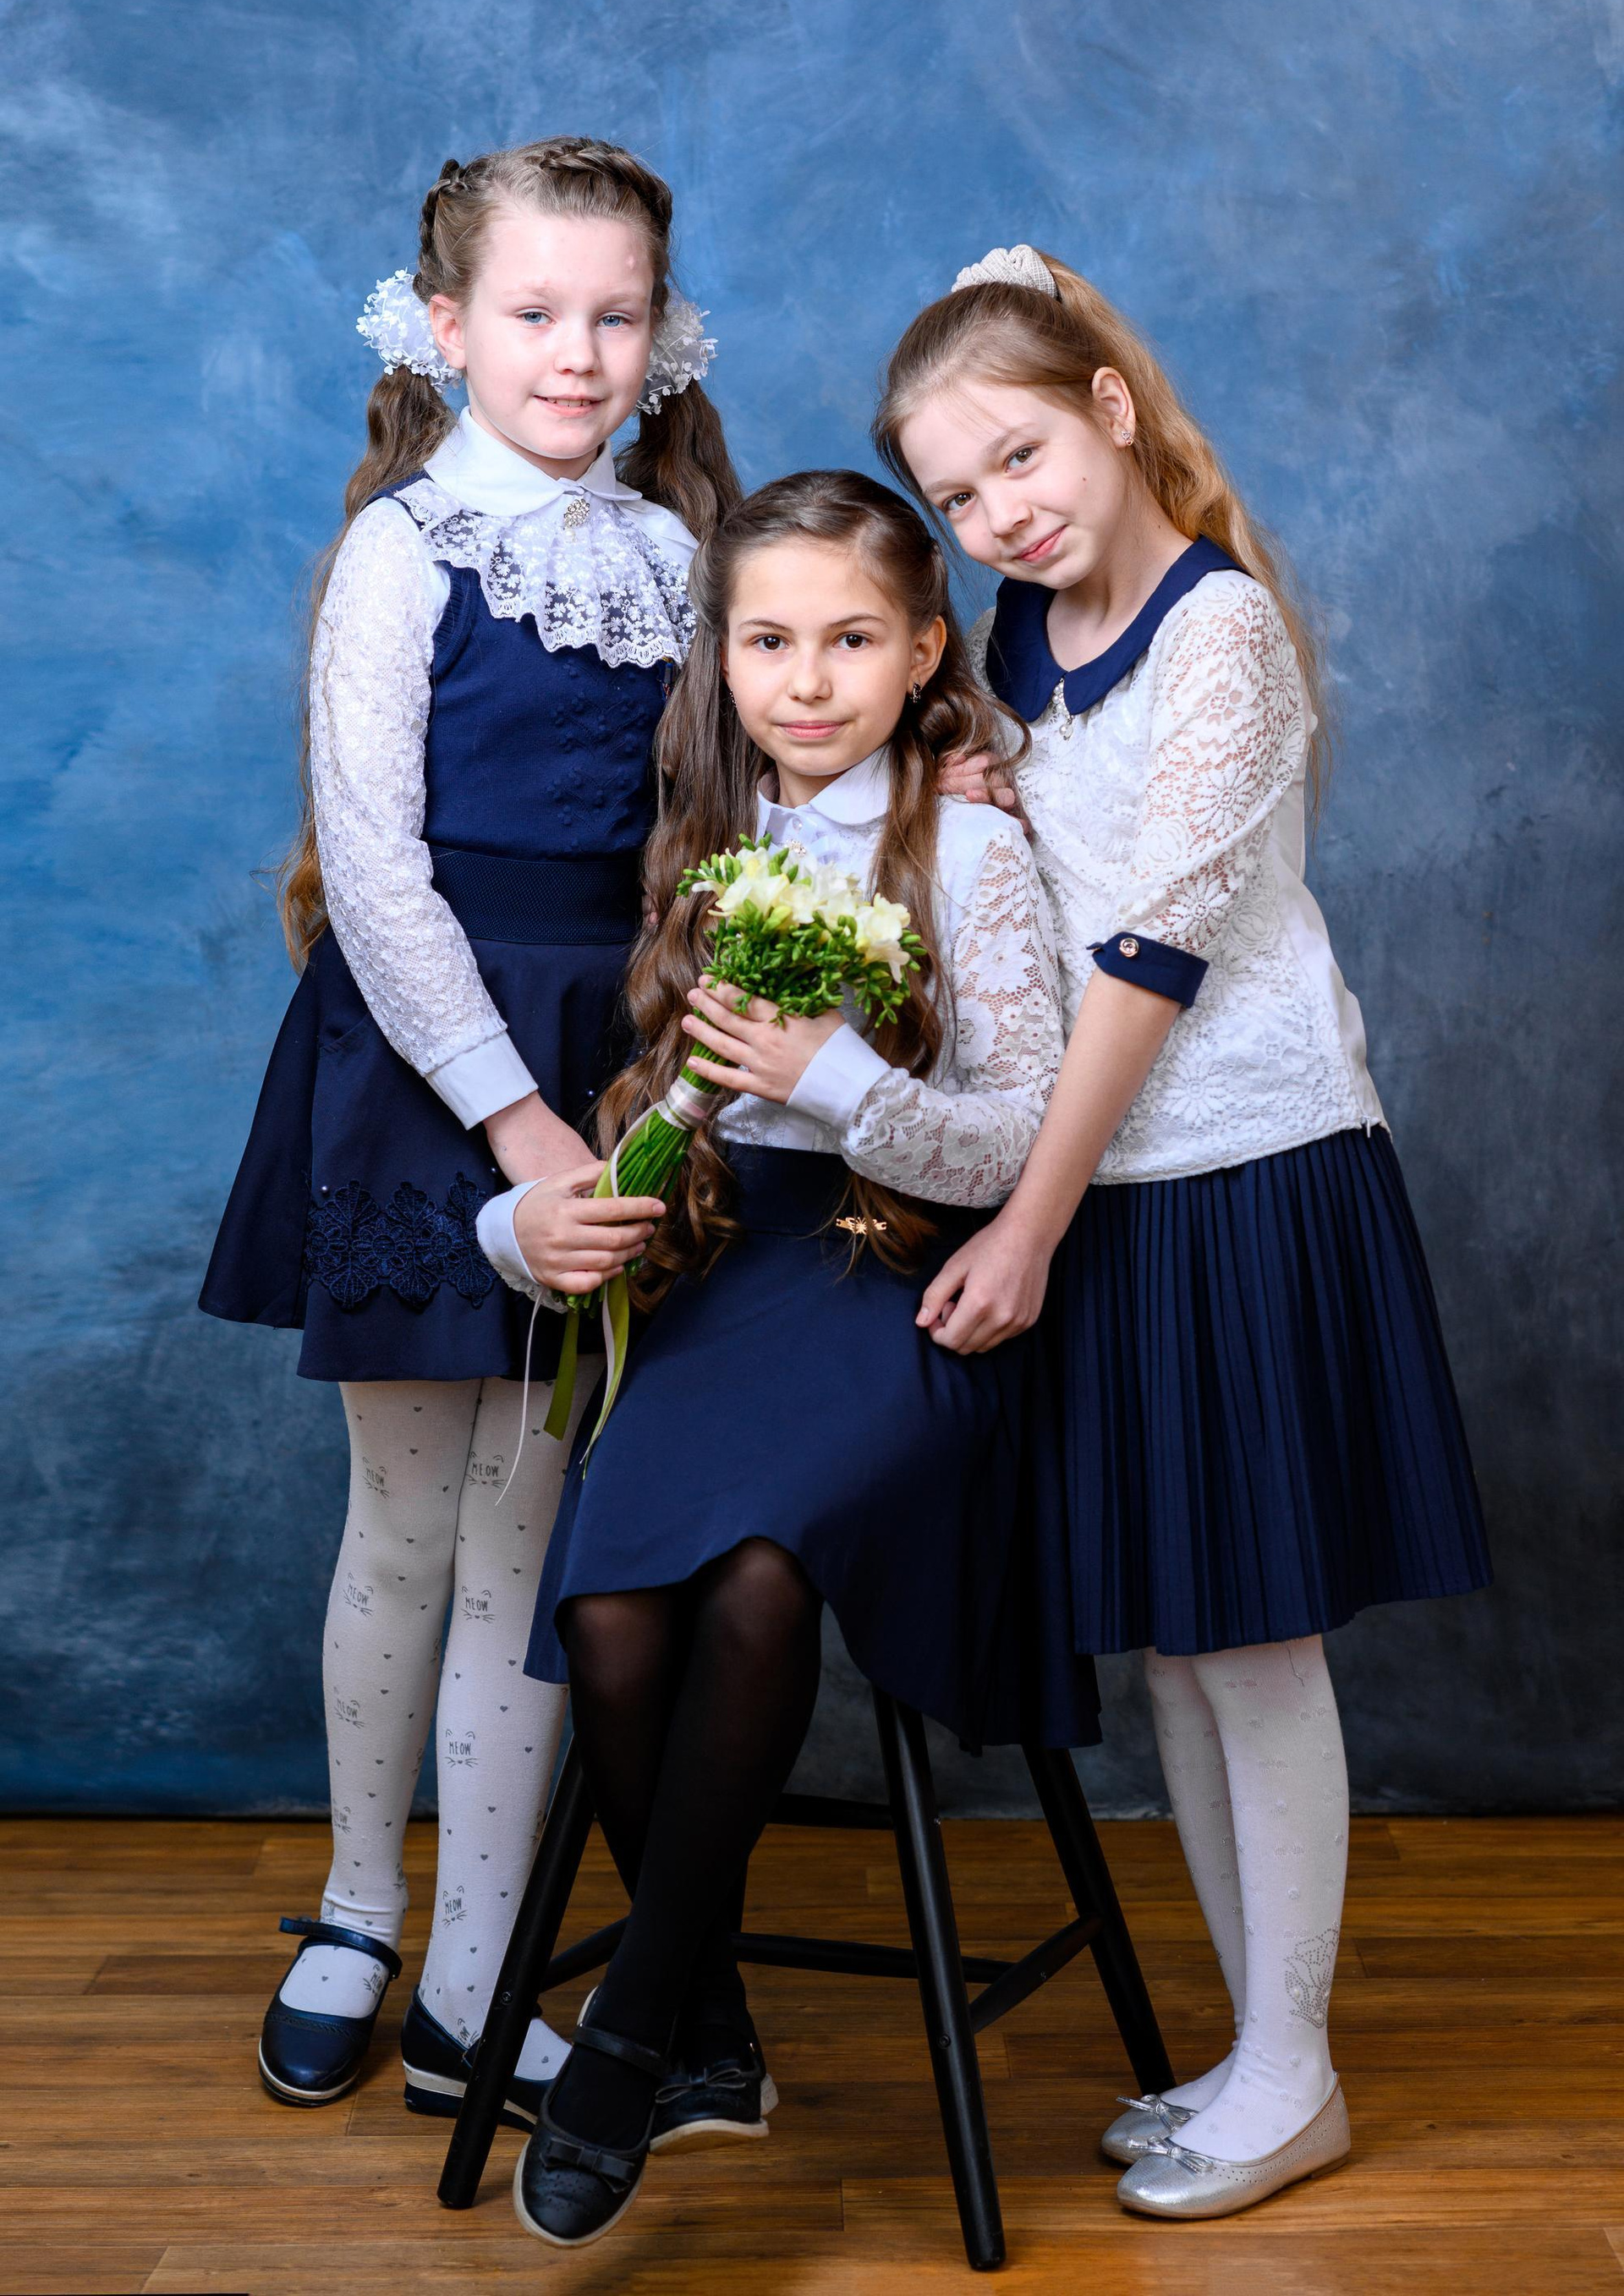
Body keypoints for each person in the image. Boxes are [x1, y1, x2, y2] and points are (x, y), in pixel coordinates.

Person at [874, 244, 1490, 2219]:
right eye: (956, 494)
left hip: (1239, 1169)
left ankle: (1298, 2072)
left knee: (1251, 1637)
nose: (999, 513)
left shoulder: (1220, 631)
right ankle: (1254, 2045)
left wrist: (1025, 1225)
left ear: (1112, 408)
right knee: (1175, 1650)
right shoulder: (1022, 628)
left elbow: (1148, 963)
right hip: (1110, 1180)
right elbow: (1035, 878)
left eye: (1022, 456)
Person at [476, 470, 1100, 2249]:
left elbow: (1024, 1137)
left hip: (897, 1282)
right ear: (722, 658)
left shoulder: (971, 848)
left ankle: (635, 2034)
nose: (807, 682)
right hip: (729, 1276)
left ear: (924, 653)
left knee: (758, 1575)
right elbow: (668, 1115)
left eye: (850, 641)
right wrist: (534, 1222)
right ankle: (714, 2025)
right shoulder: (711, 836)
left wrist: (839, 1082)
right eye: (768, 643)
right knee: (612, 1610)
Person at [199, 137, 739, 2125]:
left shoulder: (686, 560)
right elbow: (375, 871)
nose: (577, 356)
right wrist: (519, 1129)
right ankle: (359, 1909)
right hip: (432, 1073)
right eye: (533, 314)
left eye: (615, 317)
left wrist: (654, 1097)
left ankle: (474, 1987)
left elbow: (732, 824)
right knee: (412, 1521)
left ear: (663, 332)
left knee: (536, 1534)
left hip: (617, 1062)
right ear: (447, 327)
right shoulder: (404, 549)